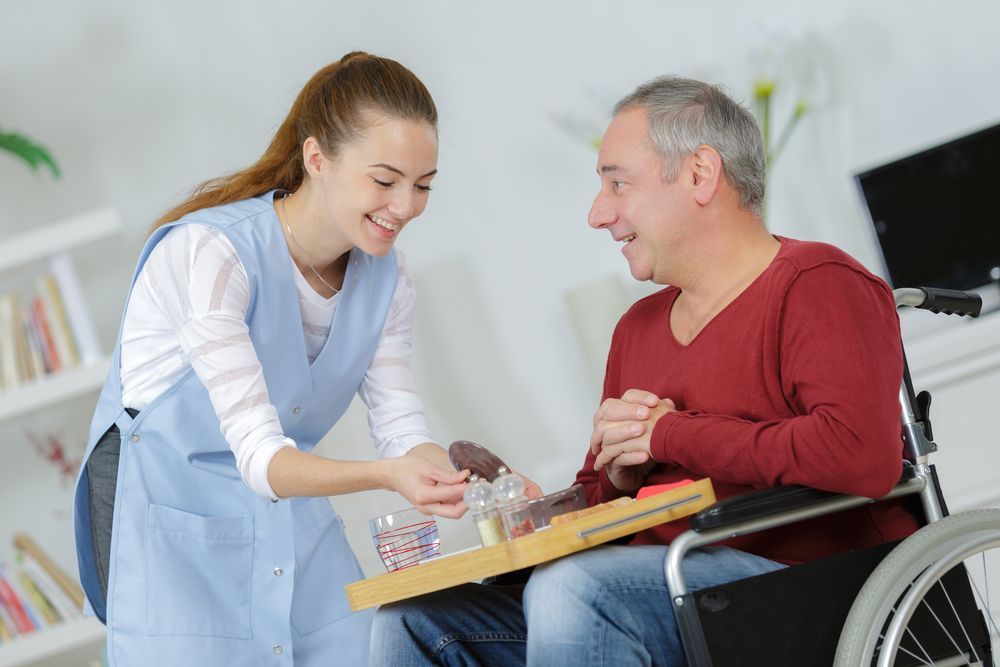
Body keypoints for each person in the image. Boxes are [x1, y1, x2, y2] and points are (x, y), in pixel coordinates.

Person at [370, 76, 921, 665]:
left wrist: (670, 433)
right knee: (413, 621)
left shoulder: (817, 282)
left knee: (575, 588)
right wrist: (555, 506)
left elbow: (859, 455)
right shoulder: (638, 327)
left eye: (617, 183)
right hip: (658, 591)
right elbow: (603, 492)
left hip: (809, 589)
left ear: (699, 175)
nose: (597, 213)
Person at [72, 51, 474, 667]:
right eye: (385, 180)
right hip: (178, 537)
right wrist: (385, 475)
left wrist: (478, 486)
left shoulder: (387, 279)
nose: (406, 205)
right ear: (318, 158)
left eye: (423, 185)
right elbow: (260, 457)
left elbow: (401, 433)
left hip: (292, 520)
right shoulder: (209, 254)